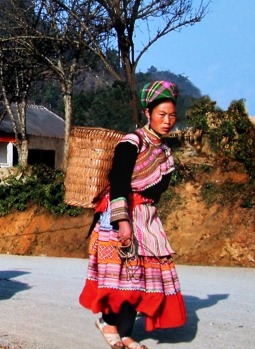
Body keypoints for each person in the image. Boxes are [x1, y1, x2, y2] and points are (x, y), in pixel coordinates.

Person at [79, 80, 186, 349]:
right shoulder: (132, 142)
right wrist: (123, 221)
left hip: (146, 217)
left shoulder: (164, 151)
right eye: (162, 114)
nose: (168, 120)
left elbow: (157, 192)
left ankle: (126, 333)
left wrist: (147, 218)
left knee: (139, 279)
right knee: (120, 278)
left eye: (172, 115)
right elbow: (119, 181)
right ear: (148, 113)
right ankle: (108, 323)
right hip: (119, 215)